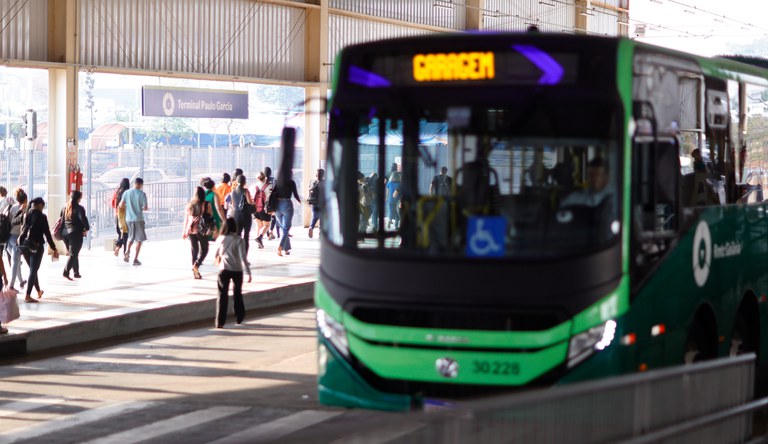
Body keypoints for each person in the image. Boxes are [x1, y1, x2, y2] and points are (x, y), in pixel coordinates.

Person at [212, 217, 251, 328]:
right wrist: (249, 272)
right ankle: (239, 317)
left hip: (223, 269)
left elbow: (215, 254)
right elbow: (243, 257)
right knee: (237, 294)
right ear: (235, 227)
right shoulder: (239, 240)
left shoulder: (220, 239)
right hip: (237, 270)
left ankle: (220, 321)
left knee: (222, 295)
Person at [18, 197, 59, 303]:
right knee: (33, 270)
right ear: (40, 205)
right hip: (37, 246)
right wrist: (54, 248)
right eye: (43, 205)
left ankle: (38, 291)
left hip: (25, 246)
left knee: (33, 269)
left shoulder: (27, 214)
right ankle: (27, 295)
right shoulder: (42, 217)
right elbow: (47, 234)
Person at [182, 186, 212, 279]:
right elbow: (210, 218)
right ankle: (196, 265)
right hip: (201, 229)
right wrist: (211, 229)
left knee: (194, 251)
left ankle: (195, 273)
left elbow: (186, 219)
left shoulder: (189, 205)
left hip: (191, 230)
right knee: (205, 249)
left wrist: (184, 231)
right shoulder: (207, 204)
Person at [119, 177, 148, 266]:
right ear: (141, 185)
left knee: (131, 237)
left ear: (134, 183)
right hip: (138, 219)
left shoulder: (126, 193)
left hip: (128, 219)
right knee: (139, 240)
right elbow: (145, 207)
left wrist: (129, 208)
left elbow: (121, 205)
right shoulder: (142, 194)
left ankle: (127, 251)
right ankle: (135, 259)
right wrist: (141, 208)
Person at [61, 190, 89, 280]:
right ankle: (66, 272)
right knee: (73, 254)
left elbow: (61, 220)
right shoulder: (79, 208)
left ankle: (76, 272)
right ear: (78, 198)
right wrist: (86, 228)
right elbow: (83, 219)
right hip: (75, 234)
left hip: (65, 234)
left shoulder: (65, 207)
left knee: (74, 253)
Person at [272, 170, 301, 256]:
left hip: (277, 205)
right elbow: (295, 194)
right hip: (287, 205)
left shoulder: (276, 182)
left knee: (283, 228)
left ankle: (286, 249)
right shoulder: (291, 182)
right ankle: (280, 247)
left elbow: (272, 194)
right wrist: (299, 201)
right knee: (286, 228)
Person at [227, 174, 255, 255]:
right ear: (244, 182)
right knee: (246, 236)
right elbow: (250, 202)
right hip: (246, 215)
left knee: (237, 235)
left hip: (237, 216)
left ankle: (237, 255)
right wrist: (254, 203)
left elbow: (232, 203)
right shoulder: (246, 191)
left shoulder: (232, 192)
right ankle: (244, 257)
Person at [6, 188, 27, 290]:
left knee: (17, 261)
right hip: (17, 237)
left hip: (9, 237)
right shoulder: (24, 209)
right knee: (15, 262)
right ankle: (11, 285)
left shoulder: (12, 207)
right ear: (25, 200)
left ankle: (21, 281)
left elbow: (9, 221)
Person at [252, 171, 271, 249]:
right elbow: (270, 197)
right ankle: (260, 237)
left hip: (255, 208)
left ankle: (259, 244)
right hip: (265, 208)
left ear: (257, 178)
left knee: (259, 226)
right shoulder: (269, 186)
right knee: (266, 225)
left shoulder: (253, 186)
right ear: (265, 178)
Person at [112, 178, 130, 257]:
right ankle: (124, 251)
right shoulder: (127, 193)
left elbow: (113, 204)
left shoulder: (117, 192)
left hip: (116, 216)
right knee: (125, 234)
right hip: (124, 216)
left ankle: (118, 247)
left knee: (120, 234)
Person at [307, 168, 325, 238]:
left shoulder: (312, 182)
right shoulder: (325, 182)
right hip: (322, 203)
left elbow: (309, 190)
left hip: (313, 202)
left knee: (314, 217)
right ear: (323, 175)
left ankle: (311, 227)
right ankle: (321, 233)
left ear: (316, 174)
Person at [264, 166, 279, 240]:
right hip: (272, 201)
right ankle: (271, 230)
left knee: (266, 218)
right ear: (271, 173)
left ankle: (268, 233)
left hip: (264, 201)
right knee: (273, 217)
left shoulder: (262, 180)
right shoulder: (274, 180)